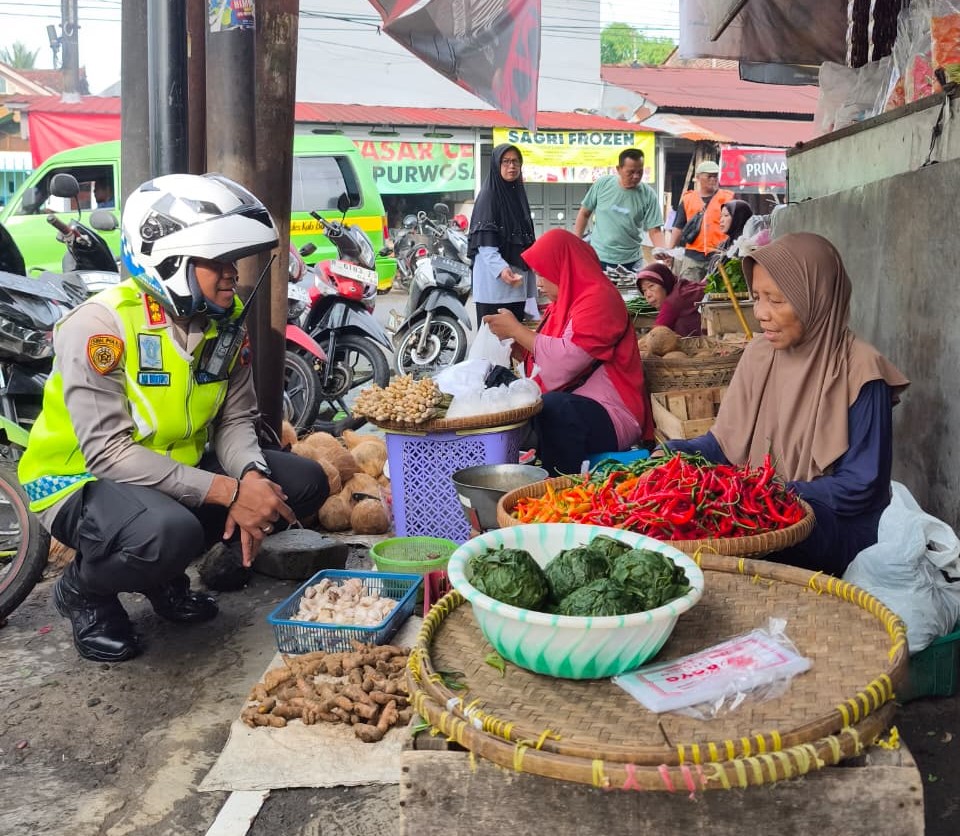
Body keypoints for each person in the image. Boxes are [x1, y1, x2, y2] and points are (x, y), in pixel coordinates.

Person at [17, 173, 330, 663]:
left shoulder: (225, 324)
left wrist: (251, 478)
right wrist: (228, 493)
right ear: (170, 261)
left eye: (232, 261)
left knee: (304, 482)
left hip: (170, 473)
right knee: (168, 534)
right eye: (217, 262)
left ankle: (166, 574)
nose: (232, 274)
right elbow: (108, 453)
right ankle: (85, 590)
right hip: (79, 480)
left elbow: (236, 421)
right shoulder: (100, 326)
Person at [666, 233, 909, 576]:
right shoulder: (758, 354)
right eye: (757, 298)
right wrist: (676, 453)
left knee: (743, 541)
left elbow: (860, 485)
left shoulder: (861, 371)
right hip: (761, 509)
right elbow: (723, 444)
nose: (760, 314)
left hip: (831, 524)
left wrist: (772, 494)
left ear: (817, 299)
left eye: (777, 300)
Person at [483, 229, 655, 475]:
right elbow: (545, 355)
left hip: (613, 413)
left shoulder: (600, 299)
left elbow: (566, 361)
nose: (539, 283)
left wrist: (517, 331)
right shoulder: (562, 304)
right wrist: (517, 345)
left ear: (563, 267)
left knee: (555, 408)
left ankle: (560, 483)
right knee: (499, 389)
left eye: (543, 274)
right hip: (579, 404)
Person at [467, 143, 537, 328]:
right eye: (505, 162)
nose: (511, 166)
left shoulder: (518, 195)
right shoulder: (488, 196)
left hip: (517, 287)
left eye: (515, 161)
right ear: (496, 165)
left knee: (515, 342)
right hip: (494, 287)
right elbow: (485, 243)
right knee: (493, 341)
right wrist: (502, 270)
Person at [574, 148, 664, 271]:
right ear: (619, 169)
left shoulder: (648, 194)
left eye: (640, 172)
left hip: (632, 261)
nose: (636, 176)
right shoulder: (602, 184)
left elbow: (655, 230)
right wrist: (576, 243)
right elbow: (584, 213)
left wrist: (662, 249)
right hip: (598, 257)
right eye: (631, 172)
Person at [669, 161, 735, 282]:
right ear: (698, 177)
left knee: (719, 289)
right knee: (688, 289)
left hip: (720, 254)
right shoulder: (688, 199)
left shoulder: (728, 198)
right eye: (709, 176)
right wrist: (669, 251)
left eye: (715, 176)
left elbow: (738, 225)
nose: (713, 179)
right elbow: (678, 227)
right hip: (693, 255)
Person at [635, 262, 705, 337]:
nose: (648, 295)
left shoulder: (673, 302)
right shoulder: (680, 286)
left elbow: (655, 336)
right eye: (644, 290)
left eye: (651, 286)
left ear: (665, 282)